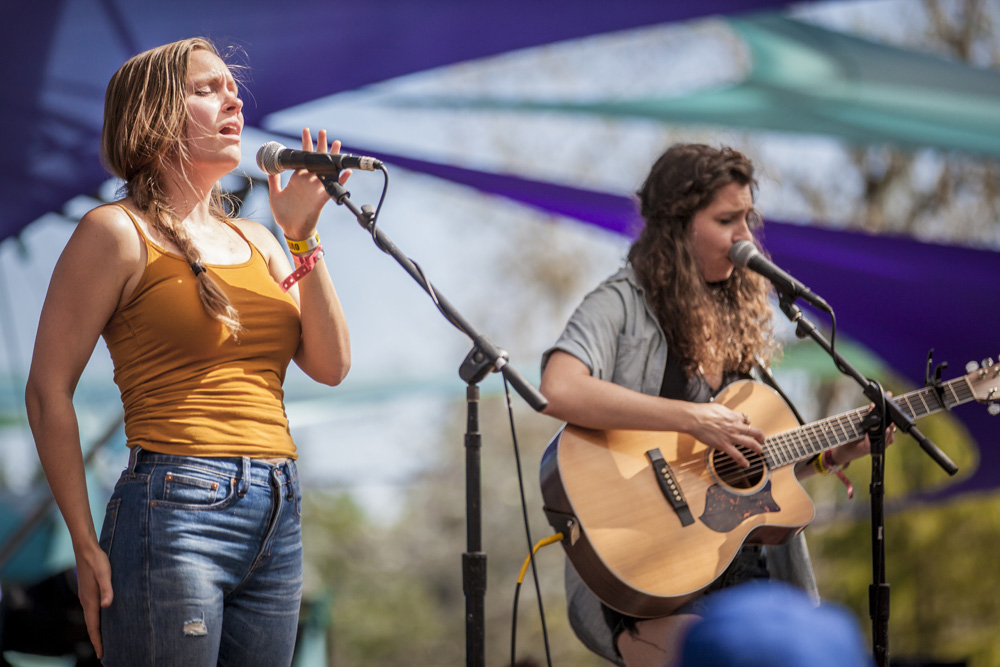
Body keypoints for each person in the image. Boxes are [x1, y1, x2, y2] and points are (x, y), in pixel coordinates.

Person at [24, 37, 351, 666]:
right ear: (152, 120)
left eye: (232, 86)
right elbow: (47, 391)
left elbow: (332, 367)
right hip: (173, 507)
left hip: (279, 505)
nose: (233, 97)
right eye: (207, 89)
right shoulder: (115, 232)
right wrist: (84, 543)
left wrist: (303, 239)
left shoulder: (261, 238)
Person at [539, 144, 888, 667]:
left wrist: (830, 457)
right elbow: (559, 389)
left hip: (748, 575)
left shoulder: (737, 321)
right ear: (678, 226)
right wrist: (691, 417)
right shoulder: (619, 303)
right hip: (648, 579)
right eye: (726, 219)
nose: (745, 235)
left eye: (747, 217)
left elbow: (739, 481)